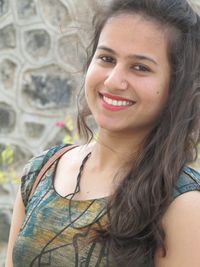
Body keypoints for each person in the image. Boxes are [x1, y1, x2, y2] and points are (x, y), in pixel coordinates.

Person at [5, 0, 200, 266]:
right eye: (107, 59)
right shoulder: (41, 172)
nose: (112, 81)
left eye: (140, 67)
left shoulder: (183, 204)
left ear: (175, 86)